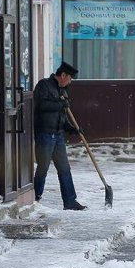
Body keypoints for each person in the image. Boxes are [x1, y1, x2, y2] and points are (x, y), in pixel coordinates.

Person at [33, 61, 87, 210]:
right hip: (44, 134)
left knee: (64, 168)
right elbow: (41, 106)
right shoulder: (43, 86)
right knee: (42, 168)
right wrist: (60, 104)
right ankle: (34, 199)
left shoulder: (63, 91)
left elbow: (62, 117)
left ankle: (70, 201)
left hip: (58, 135)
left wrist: (72, 129)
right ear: (62, 75)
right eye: (69, 78)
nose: (70, 82)